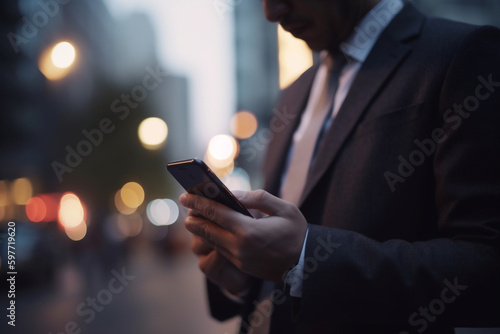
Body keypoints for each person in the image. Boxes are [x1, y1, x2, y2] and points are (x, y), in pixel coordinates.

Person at [180, 0, 500, 333]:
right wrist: (244, 276)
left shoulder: (462, 54)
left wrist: (305, 260)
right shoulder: (292, 94)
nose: (271, 13)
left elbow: (487, 265)